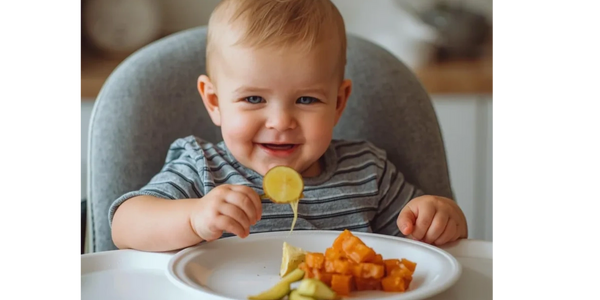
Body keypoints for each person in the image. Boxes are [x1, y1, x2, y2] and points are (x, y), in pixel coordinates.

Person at [109, 0, 468, 252]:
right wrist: (194, 218)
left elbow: (428, 247)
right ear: (214, 101)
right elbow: (124, 226)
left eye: (306, 100)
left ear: (339, 102)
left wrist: (440, 219)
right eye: (253, 99)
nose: (280, 122)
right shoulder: (203, 169)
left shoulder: (368, 172)